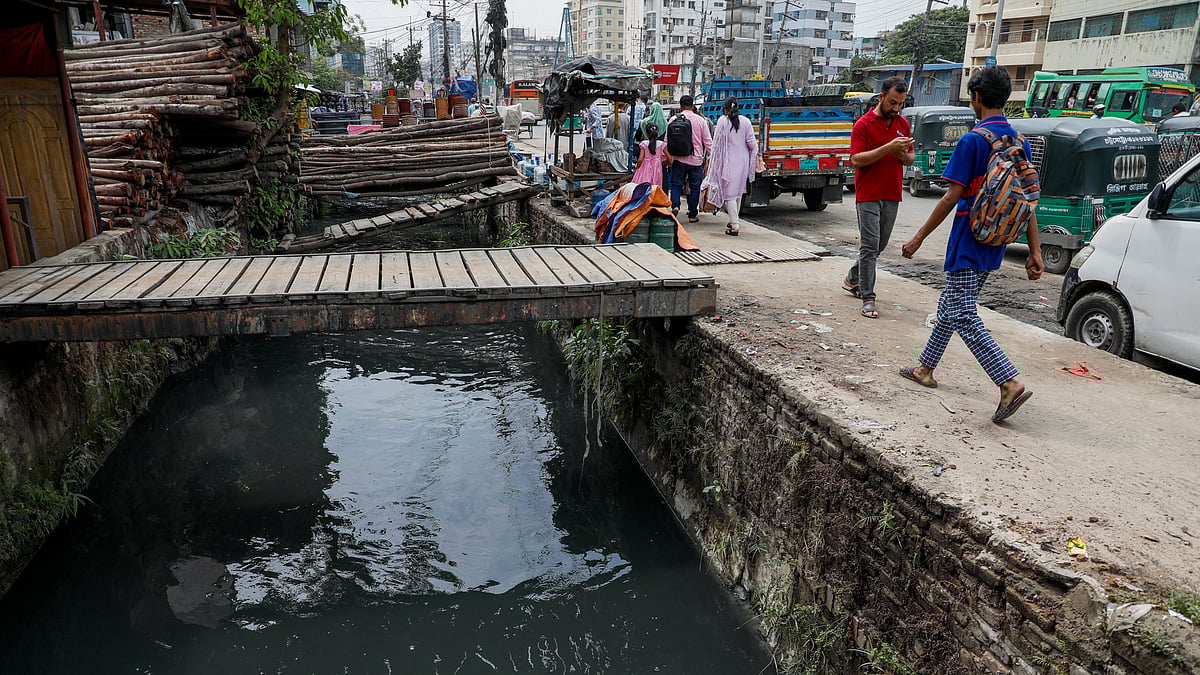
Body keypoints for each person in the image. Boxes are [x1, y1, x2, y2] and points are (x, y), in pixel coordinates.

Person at [898, 65, 1044, 424]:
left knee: (963, 312)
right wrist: (1035, 251)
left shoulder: (973, 141)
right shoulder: (1018, 141)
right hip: (996, 240)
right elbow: (1027, 200)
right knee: (951, 303)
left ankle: (1008, 382)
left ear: (976, 98)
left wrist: (918, 236)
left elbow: (951, 197)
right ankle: (925, 369)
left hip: (969, 237)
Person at [843, 76, 915, 319]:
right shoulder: (863, 124)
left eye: (900, 104)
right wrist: (889, 147)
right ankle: (868, 297)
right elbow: (856, 160)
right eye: (893, 102)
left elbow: (910, 158)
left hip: (892, 192)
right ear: (882, 97)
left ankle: (853, 277)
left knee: (879, 245)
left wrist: (903, 154)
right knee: (869, 245)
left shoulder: (902, 124)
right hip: (868, 193)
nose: (896, 108)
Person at [705, 97, 758, 235]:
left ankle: (735, 225)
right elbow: (752, 144)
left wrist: (713, 162)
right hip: (743, 161)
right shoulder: (746, 121)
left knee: (729, 195)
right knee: (738, 192)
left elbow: (716, 145)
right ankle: (734, 219)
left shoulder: (723, 121)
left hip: (728, 162)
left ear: (725, 108)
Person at [667, 94, 713, 223]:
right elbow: (708, 142)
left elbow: (667, 140)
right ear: (693, 106)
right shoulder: (700, 121)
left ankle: (675, 206)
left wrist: (667, 157)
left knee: (676, 185)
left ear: (680, 107)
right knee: (695, 187)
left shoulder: (673, 120)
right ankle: (692, 214)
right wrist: (713, 158)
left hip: (678, 159)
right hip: (696, 160)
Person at [632, 122, 671, 187]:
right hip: (657, 168)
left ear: (646, 133)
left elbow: (640, 160)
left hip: (644, 168)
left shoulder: (644, 144)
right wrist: (664, 162)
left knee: (643, 186)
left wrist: (636, 168)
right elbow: (669, 158)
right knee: (655, 186)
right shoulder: (661, 144)